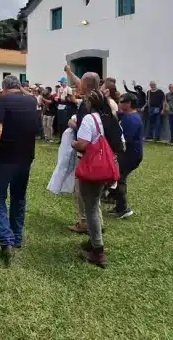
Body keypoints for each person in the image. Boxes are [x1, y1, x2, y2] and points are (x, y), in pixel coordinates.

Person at [0, 76, 40, 267]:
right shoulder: (32, 101)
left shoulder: (4, 101)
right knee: (19, 197)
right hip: (26, 156)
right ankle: (16, 237)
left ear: (4, 88)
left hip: (5, 158)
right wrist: (22, 90)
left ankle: (6, 240)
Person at [62, 65, 108, 234]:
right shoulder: (101, 99)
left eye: (81, 82)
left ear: (86, 85)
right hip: (101, 152)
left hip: (88, 153)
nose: (77, 84)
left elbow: (84, 135)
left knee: (82, 191)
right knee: (94, 194)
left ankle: (85, 224)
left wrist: (73, 125)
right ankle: (98, 222)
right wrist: (69, 72)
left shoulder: (89, 104)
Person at [71, 90, 113, 268]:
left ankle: (98, 250)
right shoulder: (110, 117)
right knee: (95, 205)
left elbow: (83, 144)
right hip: (106, 166)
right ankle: (94, 241)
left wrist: (73, 143)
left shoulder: (90, 119)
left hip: (92, 167)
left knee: (91, 208)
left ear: (90, 104)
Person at [112, 93, 144, 219]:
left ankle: (123, 208)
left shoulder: (132, 120)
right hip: (128, 154)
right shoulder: (127, 116)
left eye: (121, 101)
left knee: (120, 179)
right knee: (119, 178)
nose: (119, 104)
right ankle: (118, 205)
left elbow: (125, 139)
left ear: (128, 104)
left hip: (130, 155)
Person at [55, 78, 75, 143]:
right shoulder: (60, 89)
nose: (61, 83)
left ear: (65, 82)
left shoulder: (69, 89)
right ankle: (60, 138)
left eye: (62, 82)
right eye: (60, 82)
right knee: (60, 123)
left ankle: (66, 139)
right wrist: (58, 98)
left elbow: (71, 99)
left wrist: (66, 99)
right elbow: (59, 97)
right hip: (60, 105)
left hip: (67, 106)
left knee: (64, 123)